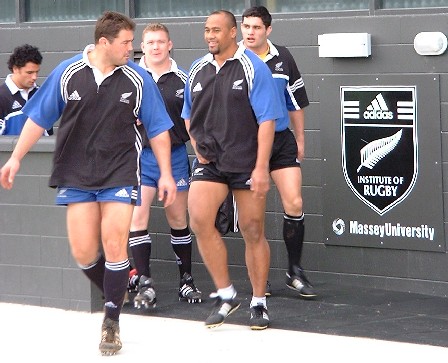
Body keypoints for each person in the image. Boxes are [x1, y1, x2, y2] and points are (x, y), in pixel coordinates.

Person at [0, 11, 176, 356]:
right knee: (83, 252)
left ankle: (111, 321)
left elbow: (157, 129)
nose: (131, 48)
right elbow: (38, 118)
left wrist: (166, 173)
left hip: (120, 171)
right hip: (76, 173)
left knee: (114, 245)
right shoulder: (68, 73)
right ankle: (118, 286)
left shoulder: (138, 79)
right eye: (126, 42)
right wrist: (16, 157)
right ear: (103, 43)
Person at [182, 10, 283, 330]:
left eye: (216, 30)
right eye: (206, 30)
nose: (210, 35)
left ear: (231, 33)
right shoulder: (197, 69)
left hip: (246, 161)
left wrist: (261, 168)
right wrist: (198, 146)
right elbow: (188, 114)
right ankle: (226, 294)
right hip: (211, 162)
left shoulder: (253, 68)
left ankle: (258, 302)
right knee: (198, 218)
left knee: (252, 229)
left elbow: (267, 120)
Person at [240, 6, 316, 299]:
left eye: (256, 27)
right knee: (253, 216)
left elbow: (294, 102)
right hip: (247, 143)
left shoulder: (283, 57)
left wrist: (300, 139)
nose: (250, 32)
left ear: (268, 30)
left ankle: (294, 272)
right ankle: (260, 279)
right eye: (246, 26)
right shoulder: (234, 59)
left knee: (294, 202)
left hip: (282, 140)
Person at [127, 23, 202, 308]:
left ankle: (186, 281)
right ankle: (145, 285)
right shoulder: (130, 76)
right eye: (150, 42)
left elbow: (195, 119)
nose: (156, 46)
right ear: (142, 46)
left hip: (175, 155)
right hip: (140, 157)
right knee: (137, 219)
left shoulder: (185, 77)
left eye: (161, 41)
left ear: (170, 45)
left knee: (178, 220)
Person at [0, 44, 53, 136]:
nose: (34, 77)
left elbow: (48, 133)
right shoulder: (2, 96)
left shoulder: (42, 94)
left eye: (37, 72)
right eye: (29, 72)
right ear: (15, 69)